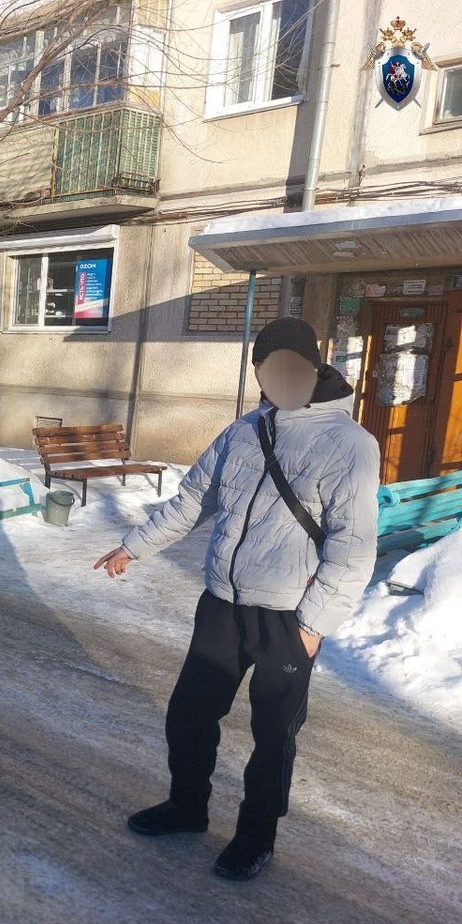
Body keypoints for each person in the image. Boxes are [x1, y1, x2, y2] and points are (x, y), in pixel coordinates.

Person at [94, 316, 379, 881]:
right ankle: (187, 807)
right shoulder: (244, 431)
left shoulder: (350, 444)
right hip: (222, 603)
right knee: (190, 715)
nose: (280, 378)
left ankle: (256, 836)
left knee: (273, 734)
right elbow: (192, 500)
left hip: (287, 617)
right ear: (258, 373)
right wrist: (135, 546)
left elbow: (353, 545)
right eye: (268, 369)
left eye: (292, 368)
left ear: (314, 368)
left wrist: (315, 623)